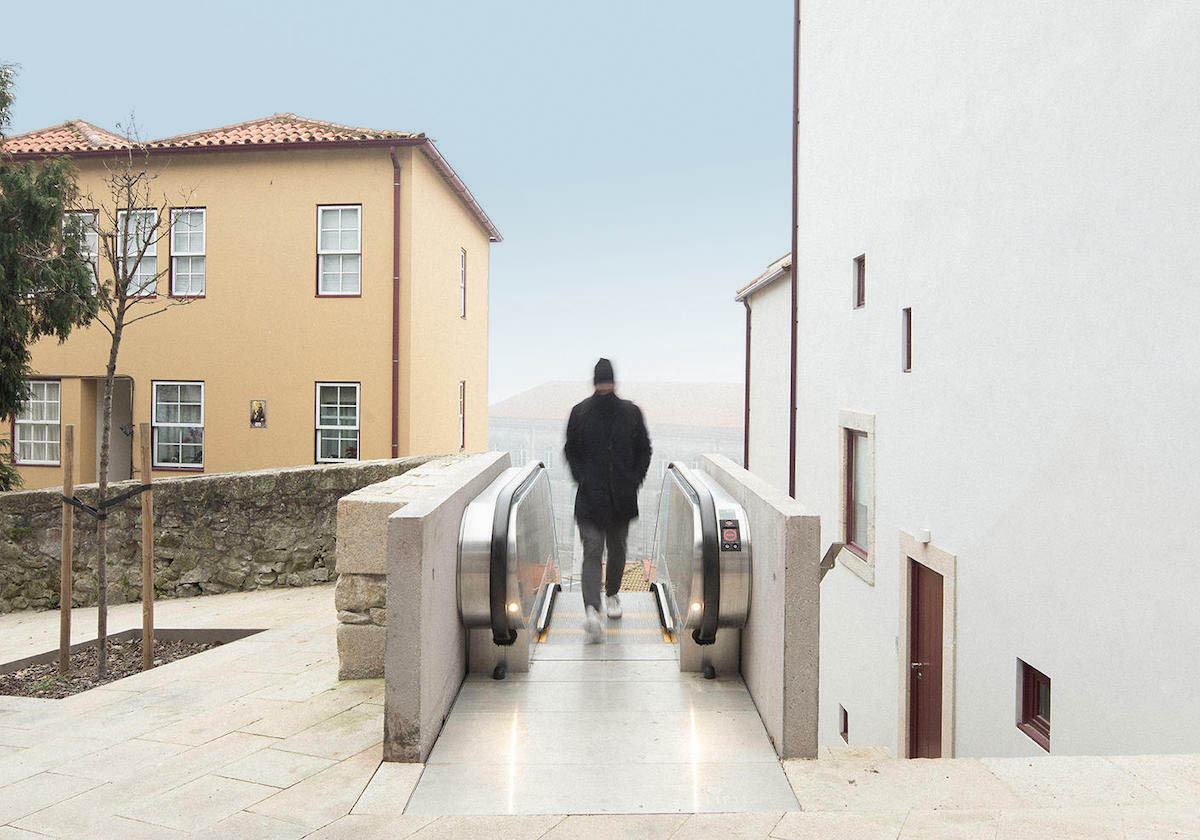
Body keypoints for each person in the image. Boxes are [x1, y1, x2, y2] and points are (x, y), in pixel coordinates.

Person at [564, 358, 653, 643]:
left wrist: (634, 479)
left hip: (621, 497)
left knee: (617, 549)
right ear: (595, 383)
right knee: (592, 549)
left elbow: (644, 450)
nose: (604, 387)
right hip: (590, 498)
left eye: (607, 382)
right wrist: (583, 478)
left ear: (614, 382)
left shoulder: (630, 413)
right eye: (601, 382)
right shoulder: (580, 413)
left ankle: (612, 593)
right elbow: (571, 450)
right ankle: (592, 608)